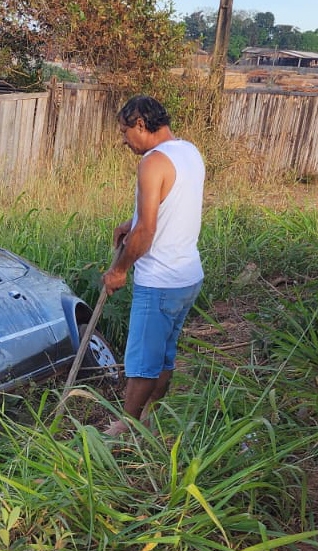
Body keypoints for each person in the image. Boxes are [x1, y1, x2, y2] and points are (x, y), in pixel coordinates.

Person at [101, 95, 205, 435]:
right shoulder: (188, 152)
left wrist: (120, 270)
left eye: (125, 131)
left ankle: (125, 427)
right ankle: (150, 419)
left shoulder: (152, 162)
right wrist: (130, 224)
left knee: (143, 363)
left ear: (141, 125)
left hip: (159, 280)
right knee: (163, 357)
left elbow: (147, 231)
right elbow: (167, 207)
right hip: (187, 277)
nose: (123, 140)